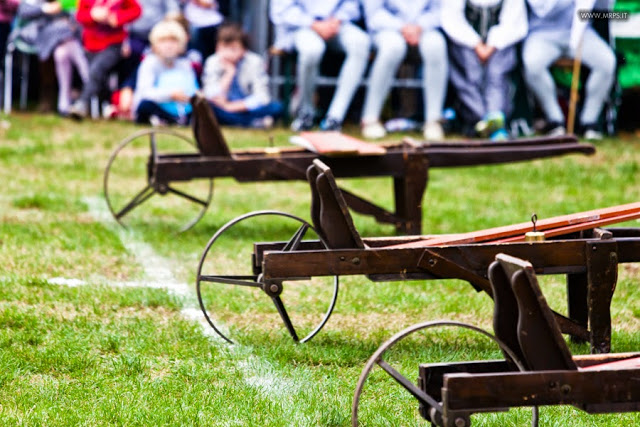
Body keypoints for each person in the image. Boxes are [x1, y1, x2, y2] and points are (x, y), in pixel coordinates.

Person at [522, 0, 616, 140]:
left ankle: (589, 123)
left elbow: (603, 8)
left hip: (582, 33)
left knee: (606, 62)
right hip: (542, 34)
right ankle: (555, 121)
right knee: (532, 64)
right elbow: (543, 9)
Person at [270, 0, 370, 131]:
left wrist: (337, 20)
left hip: (337, 24)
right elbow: (281, 11)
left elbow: (352, 5)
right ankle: (305, 113)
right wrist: (314, 24)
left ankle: (334, 118)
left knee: (361, 43)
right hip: (299, 26)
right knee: (312, 49)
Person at [360, 0, 448, 140]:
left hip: (424, 29)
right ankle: (370, 118)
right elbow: (374, 13)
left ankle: (433, 121)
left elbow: (439, 10)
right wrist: (402, 27)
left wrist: (420, 26)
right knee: (392, 47)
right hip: (386, 28)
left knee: (436, 46)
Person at [442, 0, 527, 140]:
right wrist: (476, 44)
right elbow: (452, 19)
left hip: (501, 44)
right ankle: (480, 120)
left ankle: (495, 118)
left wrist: (492, 45)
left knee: (497, 73)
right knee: (470, 72)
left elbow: (513, 22)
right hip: (465, 42)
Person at [12, 0, 89, 116]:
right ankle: (88, 88)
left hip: (64, 39)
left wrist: (70, 19)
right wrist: (45, 8)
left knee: (61, 53)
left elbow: (80, 13)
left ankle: (64, 104)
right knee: (67, 42)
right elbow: (23, 11)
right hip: (41, 35)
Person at [69, 0, 141, 120]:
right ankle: (106, 105)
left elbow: (136, 10)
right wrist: (92, 15)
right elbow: (80, 16)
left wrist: (117, 18)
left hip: (114, 44)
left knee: (97, 69)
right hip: (91, 44)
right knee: (98, 76)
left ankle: (82, 103)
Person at [201, 22, 282, 128]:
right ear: (217, 47)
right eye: (224, 47)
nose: (228, 53)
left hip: (244, 106)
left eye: (233, 49)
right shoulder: (212, 61)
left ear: (244, 50)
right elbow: (211, 95)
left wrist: (231, 107)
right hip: (222, 108)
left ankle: (242, 121)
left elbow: (262, 97)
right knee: (209, 109)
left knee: (276, 107)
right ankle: (253, 123)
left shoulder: (255, 61)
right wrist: (229, 73)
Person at [132, 20, 199, 125]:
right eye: (163, 41)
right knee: (145, 105)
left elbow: (192, 88)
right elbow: (145, 92)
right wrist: (170, 94)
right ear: (155, 45)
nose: (168, 45)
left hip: (181, 107)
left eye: (173, 41)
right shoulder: (149, 63)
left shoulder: (185, 64)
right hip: (159, 105)